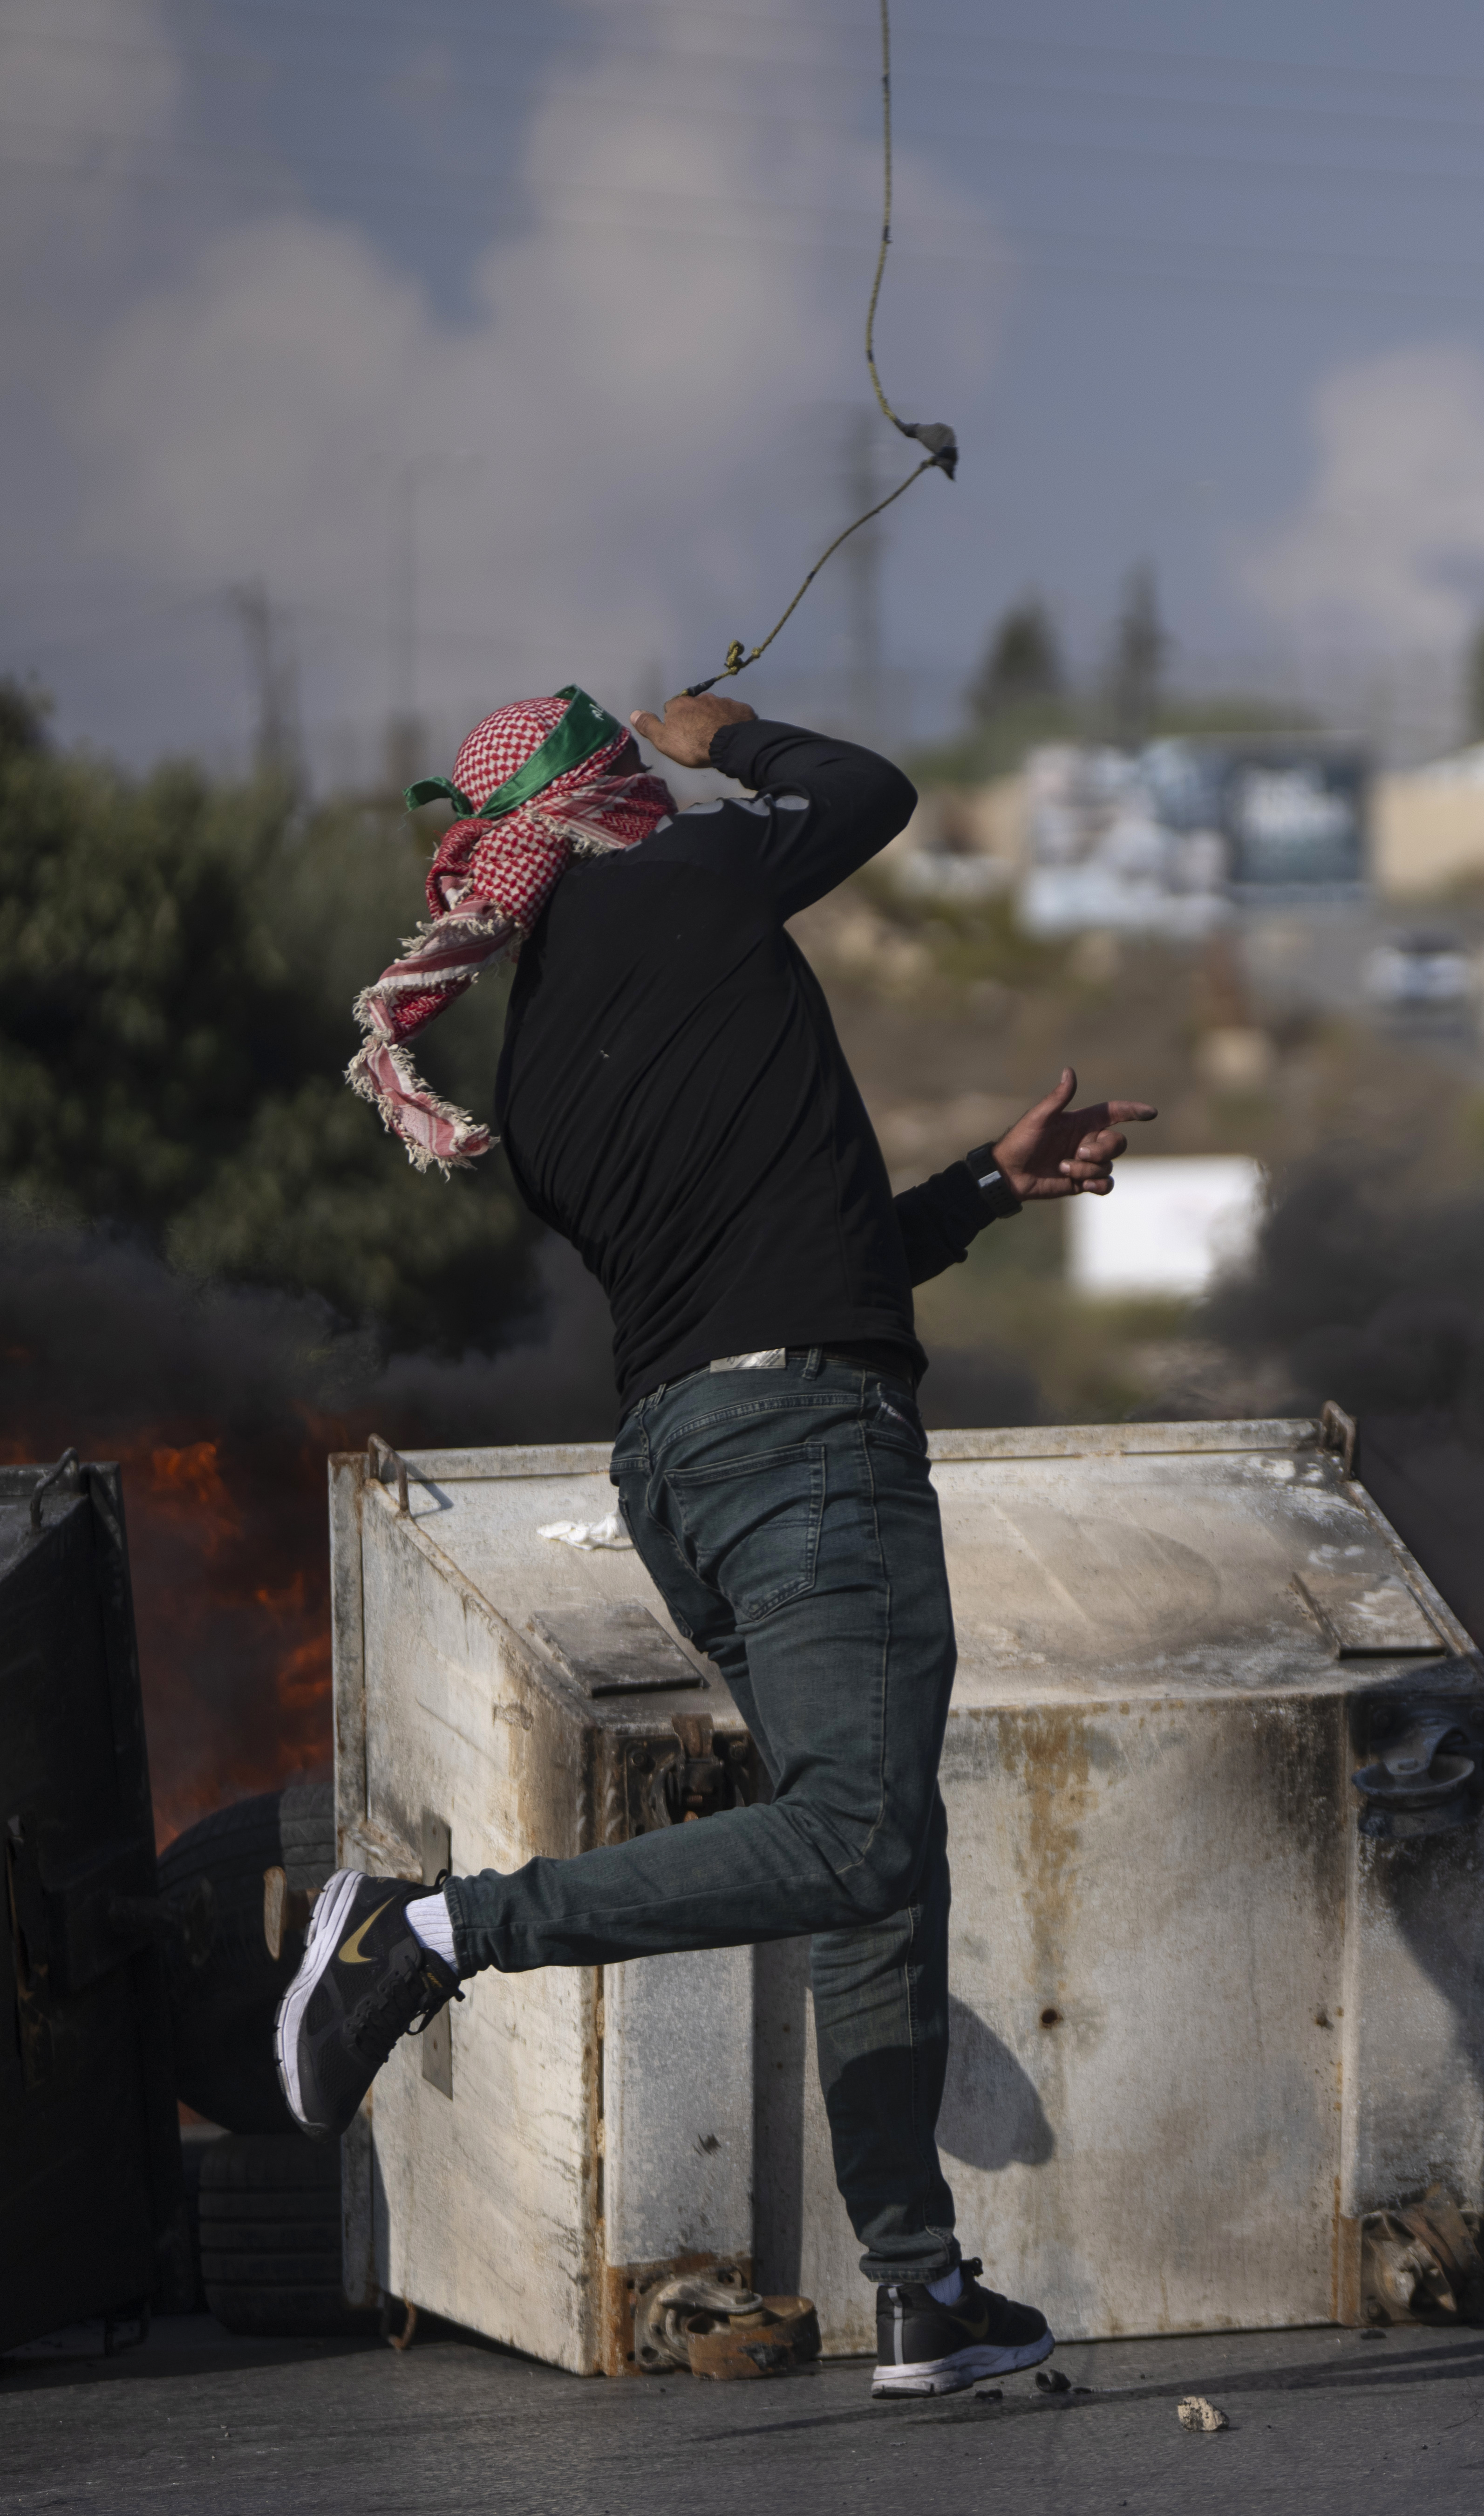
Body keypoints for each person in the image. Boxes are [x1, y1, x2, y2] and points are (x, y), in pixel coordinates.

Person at [277, 684, 1154, 2397]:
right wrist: (734, 729)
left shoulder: (535, 1077)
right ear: (616, 788)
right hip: (814, 1452)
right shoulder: (681, 884)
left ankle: (921, 2290)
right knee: (851, 1835)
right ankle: (429, 1931)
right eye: (645, 767)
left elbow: (787, 1267)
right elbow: (872, 788)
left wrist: (984, 1186)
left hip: (693, 1460)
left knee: (878, 1849)